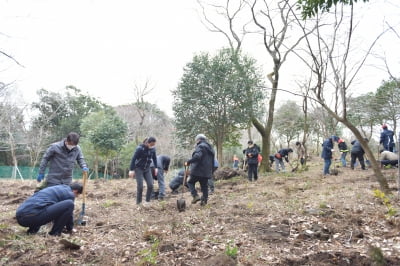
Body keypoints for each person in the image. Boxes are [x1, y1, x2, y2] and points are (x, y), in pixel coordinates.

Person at [16, 183, 83, 236]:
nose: (75, 197)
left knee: (43, 205)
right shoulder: (70, 194)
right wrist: (70, 228)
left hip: (20, 217)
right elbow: (69, 214)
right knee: (69, 204)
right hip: (31, 217)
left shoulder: (59, 188)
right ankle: (55, 233)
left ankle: (32, 231)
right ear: (75, 191)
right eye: (77, 195)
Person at [185, 134, 215, 206]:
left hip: (198, 170)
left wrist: (188, 161)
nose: (196, 142)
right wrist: (211, 171)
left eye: (196, 140)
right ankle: (204, 201)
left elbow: (197, 156)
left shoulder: (200, 146)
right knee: (204, 186)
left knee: (190, 182)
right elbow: (212, 161)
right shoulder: (211, 149)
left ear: (199, 140)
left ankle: (195, 196)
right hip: (207, 171)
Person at [129, 137, 157, 206]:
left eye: (153, 145)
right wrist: (131, 170)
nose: (152, 146)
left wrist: (156, 168)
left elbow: (154, 158)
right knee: (140, 186)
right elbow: (134, 158)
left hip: (147, 168)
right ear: (147, 143)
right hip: (138, 168)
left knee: (150, 185)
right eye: (151, 144)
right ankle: (139, 203)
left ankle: (147, 201)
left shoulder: (153, 149)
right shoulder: (140, 149)